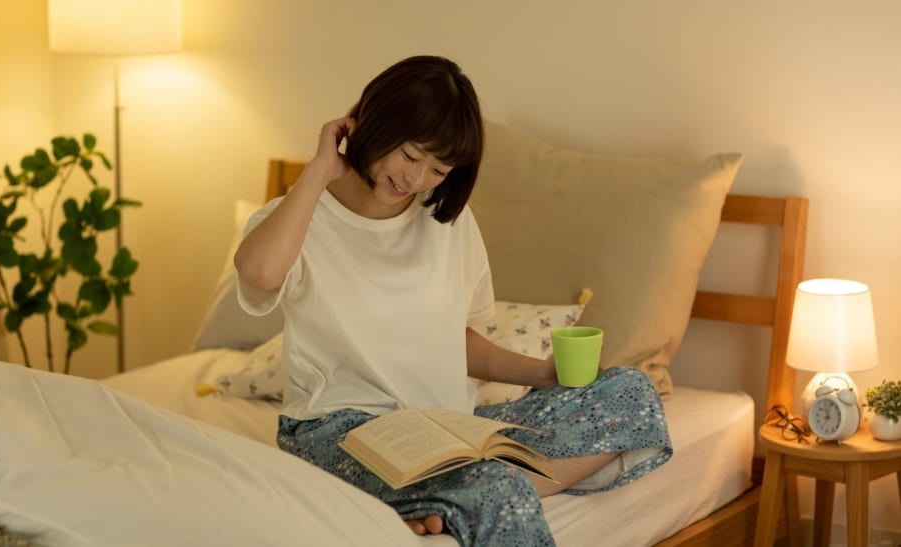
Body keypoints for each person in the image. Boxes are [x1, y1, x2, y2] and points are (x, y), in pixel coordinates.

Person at [234, 55, 672, 546]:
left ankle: (442, 501)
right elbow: (259, 273)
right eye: (409, 155)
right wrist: (318, 170)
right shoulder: (297, 218)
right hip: (339, 433)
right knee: (497, 486)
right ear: (372, 122)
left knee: (631, 393)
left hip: (446, 431)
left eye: (437, 169)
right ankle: (462, 494)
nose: (416, 179)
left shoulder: (445, 221)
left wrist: (543, 374)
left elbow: (455, 341)